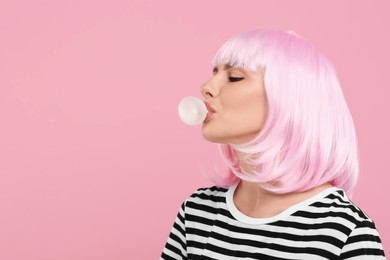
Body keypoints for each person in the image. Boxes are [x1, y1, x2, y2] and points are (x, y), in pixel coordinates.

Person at [160, 29, 386, 259]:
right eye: (214, 73)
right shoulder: (197, 213)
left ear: (289, 99)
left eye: (235, 77)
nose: (206, 87)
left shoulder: (345, 231)